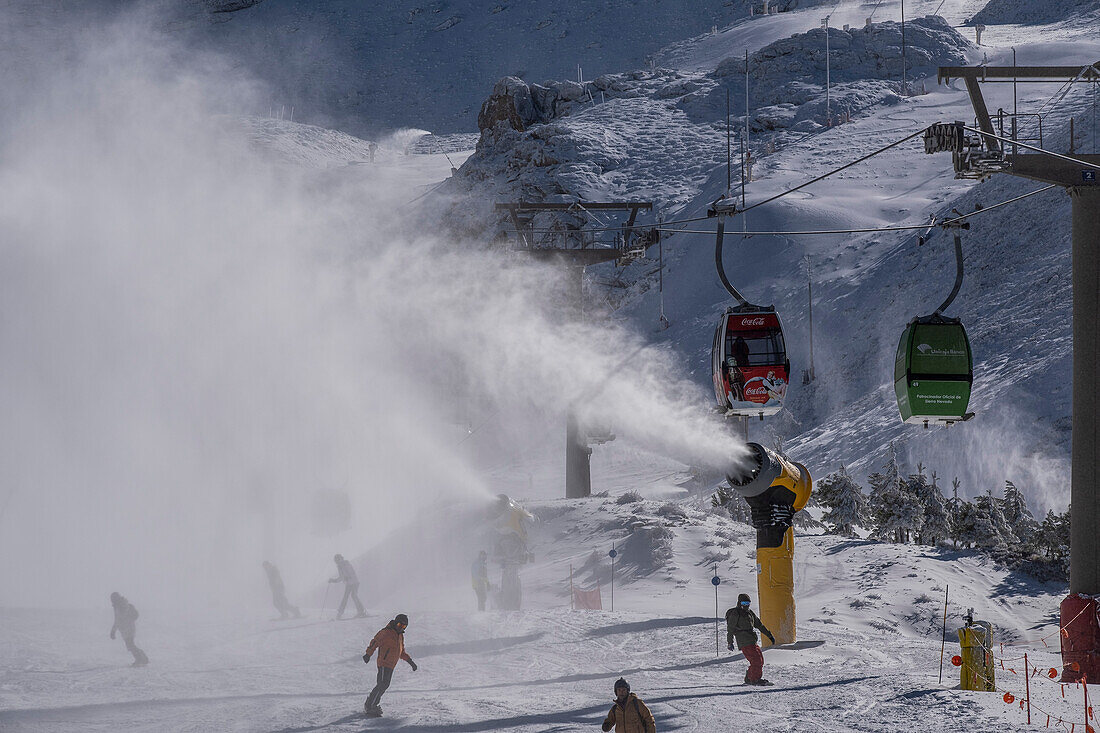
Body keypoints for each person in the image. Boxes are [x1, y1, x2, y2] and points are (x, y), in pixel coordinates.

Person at [362, 613, 418, 717]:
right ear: (395, 622)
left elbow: (401, 652)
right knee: (382, 684)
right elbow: (375, 642)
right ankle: (370, 705)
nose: (400, 627)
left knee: (384, 685)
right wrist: (368, 654)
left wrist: (411, 662)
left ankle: (371, 704)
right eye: (399, 625)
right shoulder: (386, 632)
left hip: (391, 665)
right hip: (383, 663)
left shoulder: (400, 636)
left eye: (404, 626)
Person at [726, 593, 775, 686]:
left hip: (752, 640)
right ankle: (754, 679)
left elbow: (759, 625)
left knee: (760, 659)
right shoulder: (735, 613)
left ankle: (749, 677)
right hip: (743, 640)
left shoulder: (750, 613)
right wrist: (730, 642)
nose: (746, 605)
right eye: (744, 603)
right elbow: (730, 629)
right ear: (739, 603)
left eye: (748, 603)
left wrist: (769, 635)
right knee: (756, 660)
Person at [109, 592, 148, 667]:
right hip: (125, 629)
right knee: (130, 644)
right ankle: (144, 658)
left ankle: (139, 659)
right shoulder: (119, 606)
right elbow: (117, 620)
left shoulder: (122, 605)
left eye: (112, 599)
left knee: (130, 644)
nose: (112, 600)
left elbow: (119, 619)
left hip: (128, 628)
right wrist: (113, 631)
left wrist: (113, 631)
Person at [329, 553, 366, 619]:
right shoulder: (340, 567)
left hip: (354, 582)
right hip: (349, 583)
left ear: (340, 559)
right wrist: (333, 580)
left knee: (353, 596)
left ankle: (361, 611)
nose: (337, 562)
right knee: (349, 597)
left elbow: (351, 572)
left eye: (337, 560)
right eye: (336, 561)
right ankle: (341, 613)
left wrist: (347, 577)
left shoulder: (345, 564)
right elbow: (341, 577)